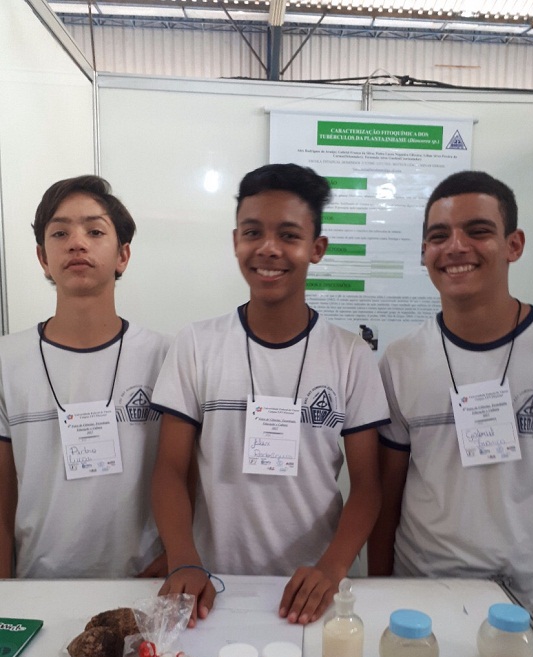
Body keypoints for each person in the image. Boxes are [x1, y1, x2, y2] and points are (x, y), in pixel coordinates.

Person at [368, 170, 533, 657]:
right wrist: (380, 593)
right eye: (438, 236)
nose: (455, 246)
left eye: (477, 230)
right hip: (422, 609)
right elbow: (386, 496)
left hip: (530, 612)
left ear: (514, 244)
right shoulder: (400, 360)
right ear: (423, 254)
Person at [152, 163, 389, 626]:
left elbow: (368, 486)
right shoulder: (196, 344)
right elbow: (168, 469)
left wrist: (332, 566)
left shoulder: (350, 354)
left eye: (288, 235)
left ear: (316, 248)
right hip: (211, 587)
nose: (268, 249)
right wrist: (182, 557)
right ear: (235, 240)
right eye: (252, 232)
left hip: (314, 591)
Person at [0, 175, 170, 579]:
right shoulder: (6, 360)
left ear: (122, 255)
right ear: (43, 257)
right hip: (39, 584)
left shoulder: (166, 357)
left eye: (95, 231)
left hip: (145, 585)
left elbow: (188, 479)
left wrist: (174, 560)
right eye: (60, 232)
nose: (77, 242)